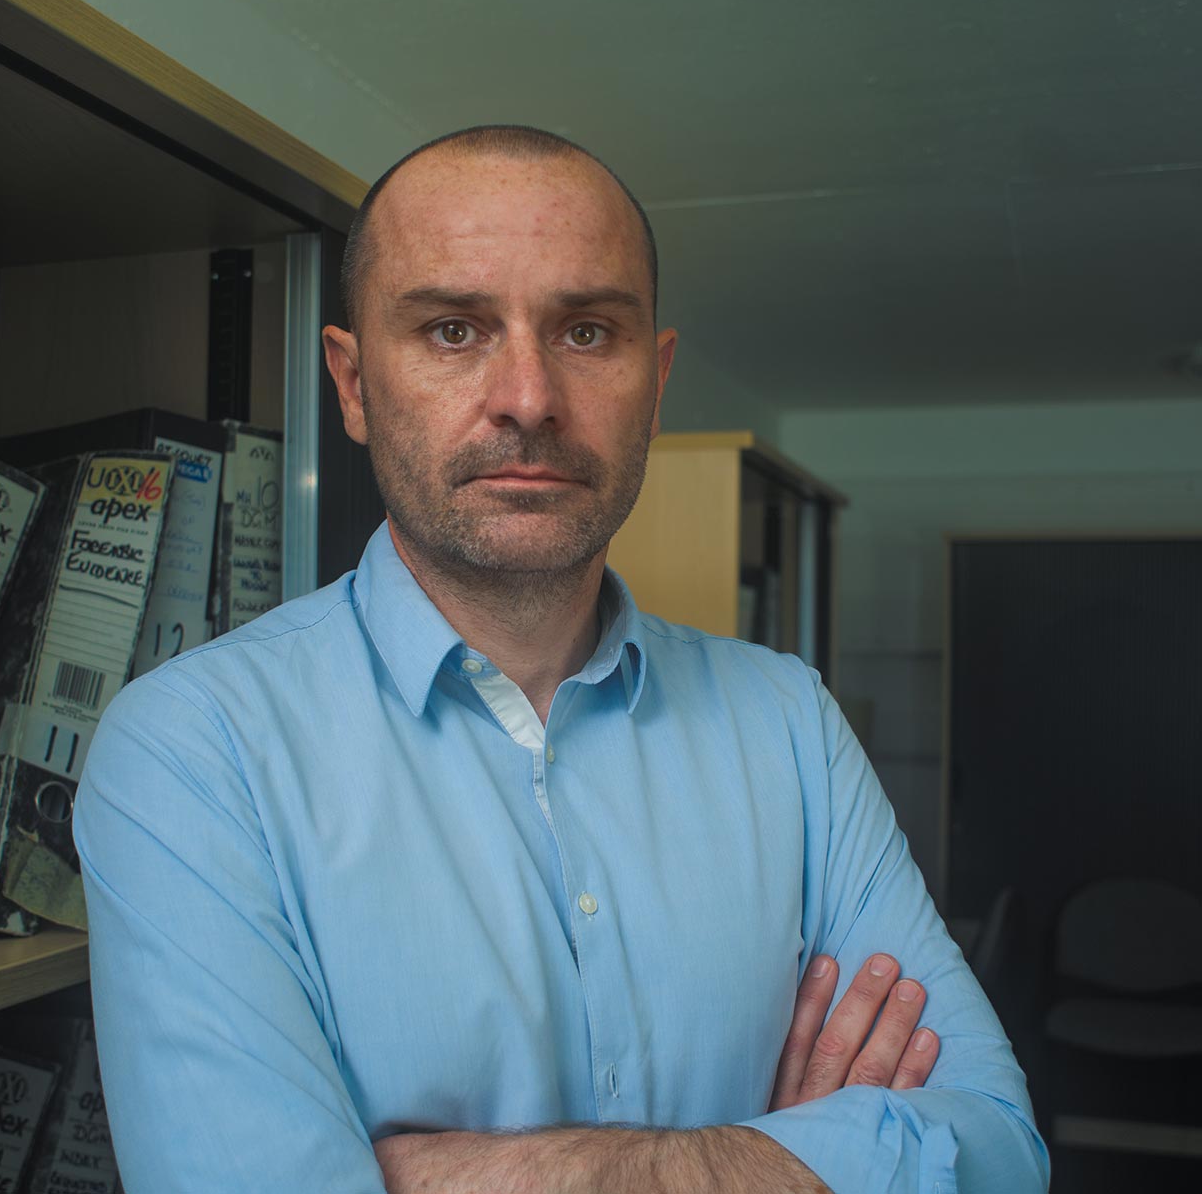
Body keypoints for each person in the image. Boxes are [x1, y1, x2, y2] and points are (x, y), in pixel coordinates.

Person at [74, 125, 1048, 1193]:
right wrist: (800, 1159)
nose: (529, 397)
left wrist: (511, 1172)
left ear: (656, 381)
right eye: (453, 330)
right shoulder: (191, 752)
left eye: (586, 332)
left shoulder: (788, 724)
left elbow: (997, 1150)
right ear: (352, 385)